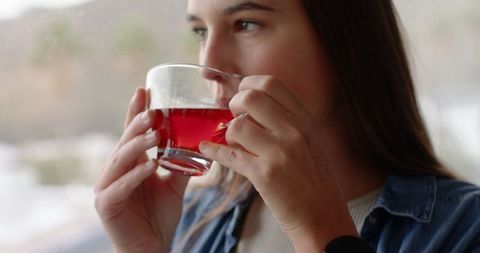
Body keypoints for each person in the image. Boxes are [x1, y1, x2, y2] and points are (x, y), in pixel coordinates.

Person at [94, 0, 480, 252]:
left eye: (246, 23)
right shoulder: (193, 218)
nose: (210, 60)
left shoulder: (465, 231)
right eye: (200, 31)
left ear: (347, 43)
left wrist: (322, 234)